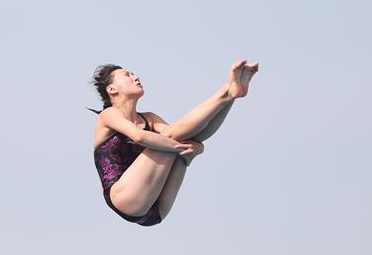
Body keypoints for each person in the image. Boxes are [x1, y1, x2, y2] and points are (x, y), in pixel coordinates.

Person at [92, 60, 259, 226]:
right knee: (174, 138)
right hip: (125, 199)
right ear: (112, 89)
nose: (135, 77)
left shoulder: (149, 118)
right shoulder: (108, 115)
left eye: (133, 73)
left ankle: (230, 95)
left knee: (183, 136)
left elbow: (185, 132)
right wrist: (183, 147)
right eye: (127, 75)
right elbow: (139, 137)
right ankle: (226, 91)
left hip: (157, 209)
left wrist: (196, 147)